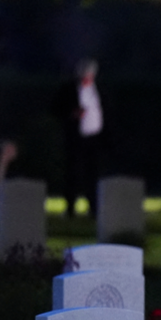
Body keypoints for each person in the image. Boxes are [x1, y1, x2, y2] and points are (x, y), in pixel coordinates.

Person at [57, 58, 104, 218]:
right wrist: (73, 113)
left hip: (94, 138)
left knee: (93, 174)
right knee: (73, 173)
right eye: (85, 74)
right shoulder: (69, 89)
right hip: (76, 138)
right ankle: (70, 208)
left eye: (90, 74)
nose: (87, 77)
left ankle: (94, 208)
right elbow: (57, 109)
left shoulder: (98, 89)